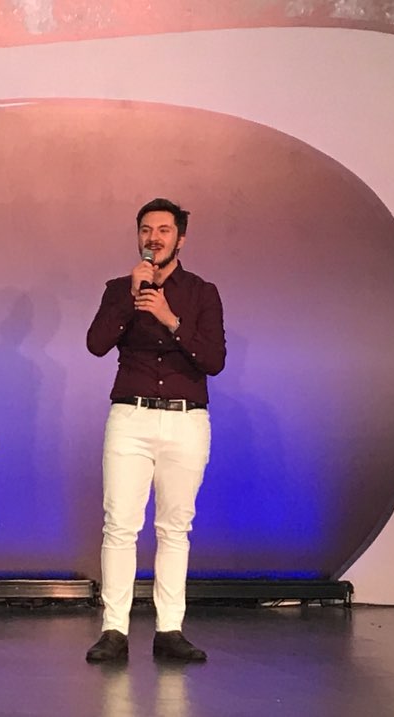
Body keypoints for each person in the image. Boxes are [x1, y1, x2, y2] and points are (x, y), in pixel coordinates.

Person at [84, 197, 225, 663]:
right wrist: (131, 298)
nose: (153, 238)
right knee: (120, 525)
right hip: (131, 417)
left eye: (164, 230)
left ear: (180, 239)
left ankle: (169, 629)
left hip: (186, 419)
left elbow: (214, 360)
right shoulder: (119, 289)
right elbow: (96, 344)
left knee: (175, 528)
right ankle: (114, 629)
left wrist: (169, 319)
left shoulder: (202, 293)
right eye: (146, 230)